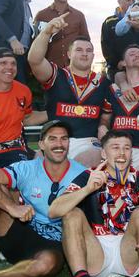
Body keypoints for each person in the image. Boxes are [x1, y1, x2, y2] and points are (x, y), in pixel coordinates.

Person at [0, 120, 85, 277]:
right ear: (41, 144)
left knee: (46, 264)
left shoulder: (83, 173)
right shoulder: (28, 167)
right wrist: (12, 207)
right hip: (21, 229)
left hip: (55, 242)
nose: (59, 144)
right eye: (52, 139)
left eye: (64, 139)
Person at [49, 130, 139, 277]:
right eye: (115, 148)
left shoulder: (138, 177)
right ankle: (81, 275)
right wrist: (87, 189)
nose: (122, 153)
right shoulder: (89, 175)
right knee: (72, 214)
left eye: (127, 148)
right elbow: (54, 211)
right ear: (103, 153)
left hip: (129, 248)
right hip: (95, 250)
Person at [28, 12, 109, 167]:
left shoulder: (103, 82)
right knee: (38, 163)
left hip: (88, 141)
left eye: (89, 50)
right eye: (79, 50)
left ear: (93, 56)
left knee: (91, 158)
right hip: (56, 139)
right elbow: (34, 60)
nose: (84, 54)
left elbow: (106, 116)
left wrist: (103, 127)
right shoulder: (57, 74)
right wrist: (46, 32)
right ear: (69, 54)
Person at [0, 48, 45, 179]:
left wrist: (55, 112)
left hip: (14, 149)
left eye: (13, 63)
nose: (10, 67)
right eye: (3, 63)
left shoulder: (23, 91)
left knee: (17, 183)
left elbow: (26, 118)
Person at [33, 0, 90, 68]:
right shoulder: (41, 15)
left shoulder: (79, 15)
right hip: (49, 67)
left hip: (73, 67)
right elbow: (35, 42)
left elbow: (86, 41)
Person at [101, 0, 136, 80]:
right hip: (117, 68)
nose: (131, 3)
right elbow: (106, 46)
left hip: (138, 67)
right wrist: (117, 63)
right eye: (128, 0)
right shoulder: (109, 22)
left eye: (133, 1)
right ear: (119, 2)